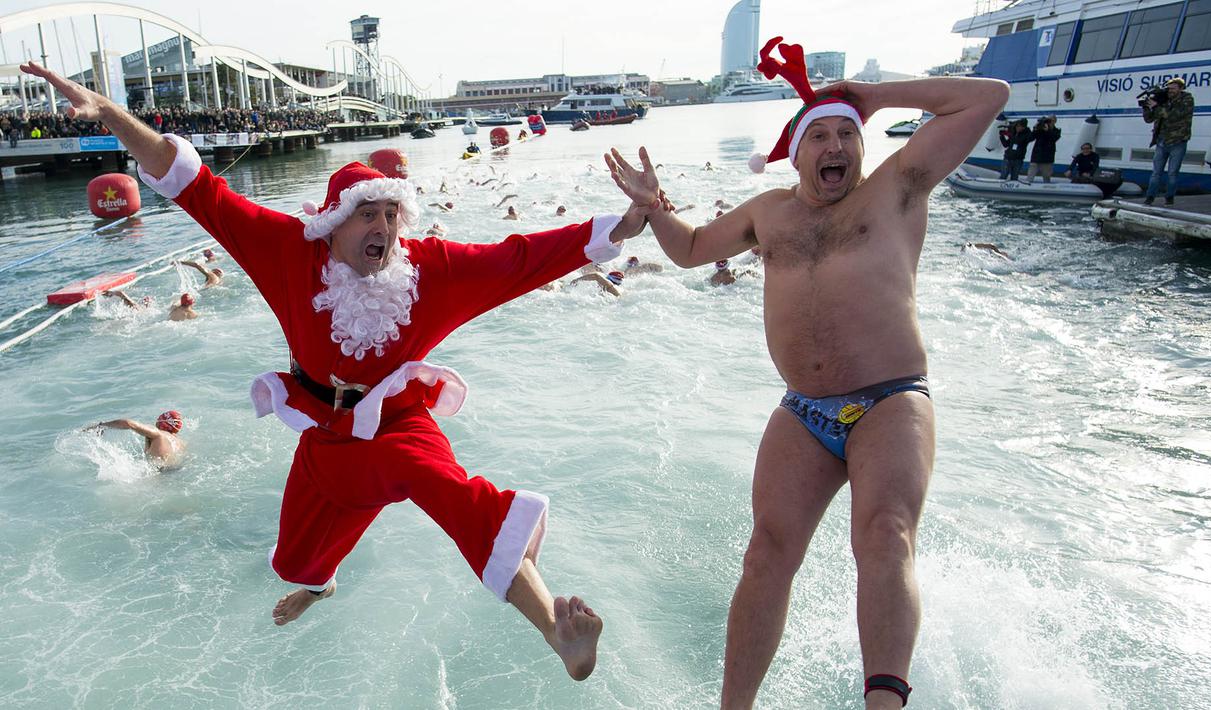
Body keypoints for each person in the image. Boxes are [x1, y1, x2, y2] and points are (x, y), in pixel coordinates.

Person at [22, 59, 657, 681]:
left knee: (445, 488)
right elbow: (196, 186)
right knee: (294, 559)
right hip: (324, 433)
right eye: (368, 214)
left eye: (391, 216)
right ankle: (318, 587)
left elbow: (521, 258)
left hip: (400, 426)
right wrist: (109, 112)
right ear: (332, 224)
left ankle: (554, 629)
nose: (384, 228)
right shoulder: (286, 252)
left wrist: (623, 224)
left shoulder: (430, 271)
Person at [605, 35, 1008, 708]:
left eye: (844, 136)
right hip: (803, 411)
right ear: (795, 152)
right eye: (818, 136)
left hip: (890, 400)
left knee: (883, 533)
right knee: (765, 553)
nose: (835, 148)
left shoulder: (898, 186)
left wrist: (874, 97)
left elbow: (986, 97)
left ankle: (882, 702)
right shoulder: (768, 213)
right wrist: (653, 208)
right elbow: (690, 252)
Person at [1143, 77, 1194, 206]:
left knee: (1172, 173)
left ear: (1181, 89)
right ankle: (1149, 197)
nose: (1170, 91)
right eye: (1169, 88)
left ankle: (1169, 198)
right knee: (1156, 173)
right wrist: (1147, 108)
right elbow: (1149, 119)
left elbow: (1174, 115)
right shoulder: (1163, 100)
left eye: (1173, 88)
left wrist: (1157, 107)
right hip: (1161, 141)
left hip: (1178, 141)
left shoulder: (1187, 99)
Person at [84, 410, 186, 470]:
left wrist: (101, 426)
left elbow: (129, 423)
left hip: (157, 475)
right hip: (174, 473)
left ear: (161, 423)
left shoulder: (157, 434)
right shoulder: (181, 443)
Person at [1025, 115, 1060, 184]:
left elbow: (1054, 139)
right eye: (1048, 120)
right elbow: (1030, 139)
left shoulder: (1056, 131)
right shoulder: (1040, 129)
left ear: (1055, 122)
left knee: (1046, 179)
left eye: (1051, 120)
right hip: (1036, 157)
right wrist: (1035, 129)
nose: (1049, 122)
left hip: (1047, 159)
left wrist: (1048, 131)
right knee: (1030, 177)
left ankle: (1047, 192)